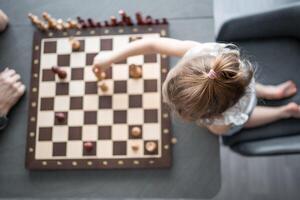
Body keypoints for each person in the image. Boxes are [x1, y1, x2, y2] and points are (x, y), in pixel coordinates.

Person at [92, 38, 300, 136]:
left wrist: (109, 58)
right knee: (243, 84)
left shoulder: (218, 119)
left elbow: (221, 131)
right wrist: (110, 58)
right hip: (241, 83)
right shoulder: (203, 54)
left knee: (243, 122)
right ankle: (272, 91)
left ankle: (283, 112)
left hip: (241, 108)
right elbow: (153, 44)